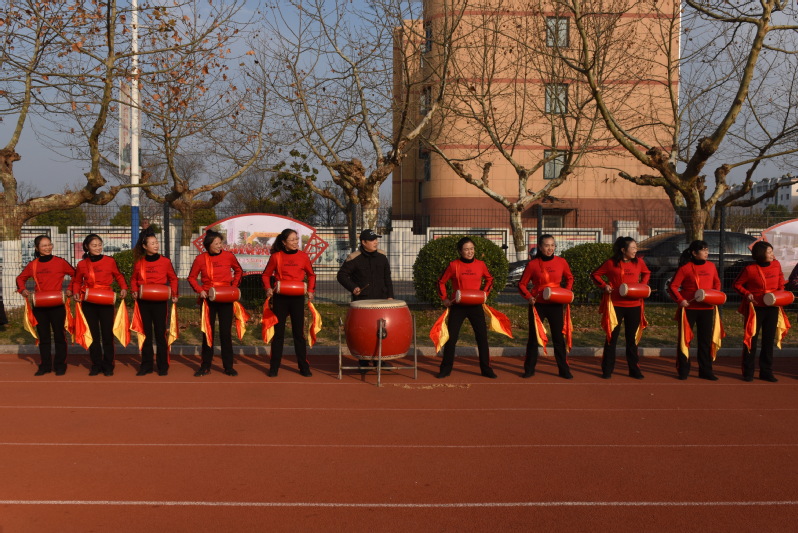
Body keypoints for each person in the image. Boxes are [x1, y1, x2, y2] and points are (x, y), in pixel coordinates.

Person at [436, 237, 497, 379]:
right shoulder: (453, 265)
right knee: (451, 338)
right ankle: (445, 369)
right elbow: (441, 282)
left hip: (476, 306)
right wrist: (444, 298)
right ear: (460, 251)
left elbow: (490, 279)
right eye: (466, 249)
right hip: (458, 306)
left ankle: (486, 369)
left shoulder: (481, 265)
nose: (470, 252)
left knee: (482, 338)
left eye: (472, 249)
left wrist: (484, 294)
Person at [591, 236, 651, 379]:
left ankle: (634, 370)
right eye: (633, 248)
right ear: (623, 250)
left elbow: (647, 273)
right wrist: (605, 286)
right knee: (611, 338)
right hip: (615, 306)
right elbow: (595, 275)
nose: (636, 250)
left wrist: (642, 286)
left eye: (636, 247)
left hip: (634, 305)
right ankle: (607, 370)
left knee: (632, 339)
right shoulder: (611, 263)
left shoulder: (639, 262)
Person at [16, 235, 75, 376]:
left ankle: (60, 365)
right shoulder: (33, 264)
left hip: (57, 304)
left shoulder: (60, 262)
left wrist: (70, 289)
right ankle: (45, 366)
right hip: (40, 304)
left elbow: (76, 275)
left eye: (49, 244)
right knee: (43, 337)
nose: (48, 247)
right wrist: (23, 290)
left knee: (60, 336)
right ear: (37, 248)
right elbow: (20, 278)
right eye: (44, 245)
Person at [518, 234, 575, 379]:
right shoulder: (532, 264)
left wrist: (566, 292)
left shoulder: (562, 262)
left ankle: (564, 370)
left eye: (552, 245)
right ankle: (529, 369)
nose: (550, 248)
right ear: (540, 247)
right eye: (546, 245)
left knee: (558, 338)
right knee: (533, 338)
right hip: (538, 305)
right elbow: (522, 284)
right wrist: (529, 297)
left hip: (556, 304)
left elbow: (569, 278)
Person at [70, 234, 128, 376]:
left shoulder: (110, 261)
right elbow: (77, 281)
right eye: (94, 245)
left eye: (100, 245)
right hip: (88, 301)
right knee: (93, 335)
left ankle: (108, 365)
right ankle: (96, 364)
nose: (98, 248)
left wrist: (124, 288)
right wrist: (76, 292)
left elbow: (119, 276)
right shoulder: (82, 264)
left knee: (107, 335)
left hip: (106, 300)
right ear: (87, 247)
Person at [187, 230, 243, 377]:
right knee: (207, 333)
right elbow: (191, 278)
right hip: (208, 300)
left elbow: (239, 271)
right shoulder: (200, 259)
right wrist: (200, 290)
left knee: (225, 333)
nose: (219, 246)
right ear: (208, 245)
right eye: (216, 243)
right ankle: (205, 366)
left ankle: (228, 367)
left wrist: (233, 287)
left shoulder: (229, 256)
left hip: (225, 298)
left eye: (220, 243)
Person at [337, 228, 395, 370]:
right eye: (372, 240)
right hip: (363, 302)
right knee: (364, 331)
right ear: (363, 242)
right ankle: (363, 358)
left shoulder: (382, 257)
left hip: (381, 301)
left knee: (381, 331)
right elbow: (341, 275)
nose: (375, 242)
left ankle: (379, 360)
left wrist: (390, 296)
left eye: (376, 239)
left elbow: (387, 278)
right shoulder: (354, 258)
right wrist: (353, 287)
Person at [261, 228, 316, 377]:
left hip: (297, 298)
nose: (296, 242)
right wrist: (268, 288)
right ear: (284, 242)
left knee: (299, 334)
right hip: (281, 298)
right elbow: (266, 275)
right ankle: (274, 367)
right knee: (278, 334)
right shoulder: (276, 257)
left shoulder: (303, 256)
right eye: (292, 240)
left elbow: (311, 275)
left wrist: (311, 290)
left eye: (296, 239)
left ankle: (303, 367)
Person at [668, 240, 722, 381]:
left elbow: (717, 282)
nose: (706, 252)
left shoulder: (711, 266)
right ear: (694, 253)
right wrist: (680, 300)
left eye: (707, 249)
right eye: (703, 250)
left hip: (707, 307)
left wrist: (714, 295)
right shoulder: (685, 268)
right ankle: (683, 370)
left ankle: (706, 371)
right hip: (689, 309)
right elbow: (673, 287)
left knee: (705, 341)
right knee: (685, 340)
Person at [733, 241, 787, 382]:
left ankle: (766, 372)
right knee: (751, 340)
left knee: (768, 341)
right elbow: (737, 284)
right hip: (755, 308)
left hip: (773, 306)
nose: (772, 254)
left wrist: (780, 293)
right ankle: (748, 372)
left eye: (771, 251)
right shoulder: (749, 269)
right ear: (761, 254)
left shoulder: (776, 264)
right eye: (769, 252)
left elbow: (781, 279)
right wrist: (747, 294)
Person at [130, 230, 179, 376]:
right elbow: (134, 279)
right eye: (152, 243)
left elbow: (173, 279)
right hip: (143, 302)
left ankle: (163, 366)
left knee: (160, 334)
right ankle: (146, 365)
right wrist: (134, 290)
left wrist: (174, 294)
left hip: (160, 302)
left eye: (156, 242)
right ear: (145, 246)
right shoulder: (139, 263)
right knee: (145, 334)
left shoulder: (165, 262)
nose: (156, 245)